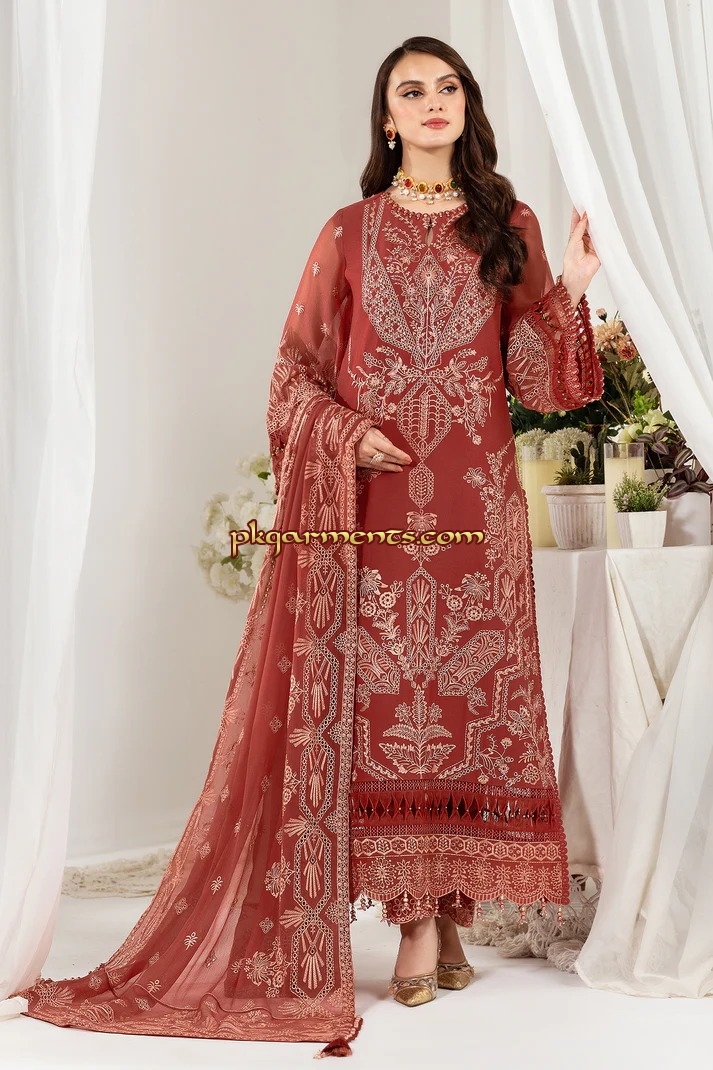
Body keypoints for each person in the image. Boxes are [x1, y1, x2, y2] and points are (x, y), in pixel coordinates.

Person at [12, 35, 602, 1057]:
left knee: (462, 698)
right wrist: (345, 432)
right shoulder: (348, 231)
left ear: (466, 107)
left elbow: (541, 382)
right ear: (387, 118)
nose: (431, 102)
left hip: (476, 503)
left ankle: (447, 912)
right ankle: (412, 921)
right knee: (384, 701)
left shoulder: (510, 224)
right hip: (370, 505)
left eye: (447, 87)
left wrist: (571, 287)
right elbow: (292, 375)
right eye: (410, 90)